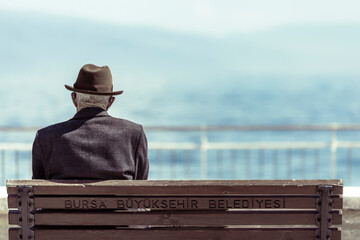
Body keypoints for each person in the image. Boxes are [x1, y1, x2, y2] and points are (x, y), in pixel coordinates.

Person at [32, 64, 149, 180]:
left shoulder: (45, 137)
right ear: (111, 102)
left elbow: (37, 191)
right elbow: (142, 188)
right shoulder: (133, 134)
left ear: (74, 99)